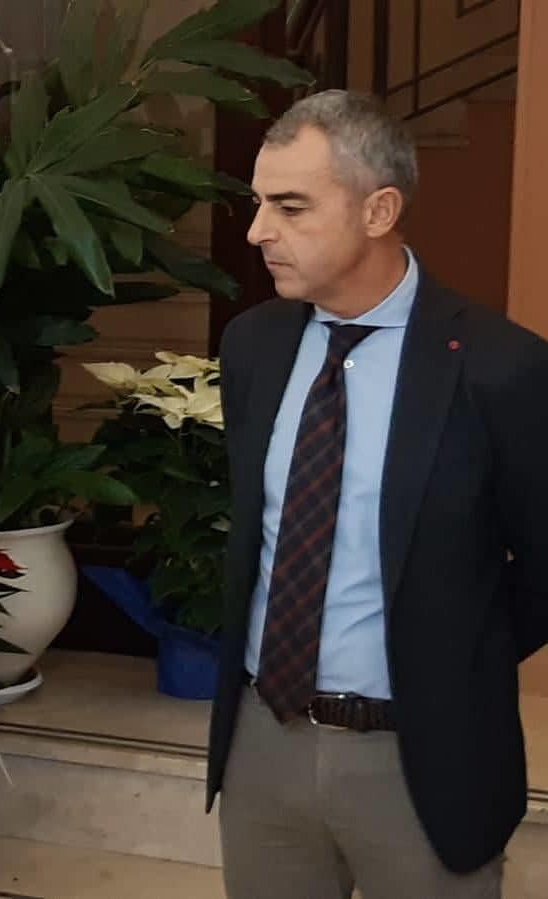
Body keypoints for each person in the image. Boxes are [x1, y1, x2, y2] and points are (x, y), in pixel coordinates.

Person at [208, 89, 548, 899]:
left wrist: (451, 662)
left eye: (291, 206)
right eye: (258, 203)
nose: (258, 231)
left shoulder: (501, 366)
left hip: (421, 756)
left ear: (379, 210)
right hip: (262, 744)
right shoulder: (253, 345)